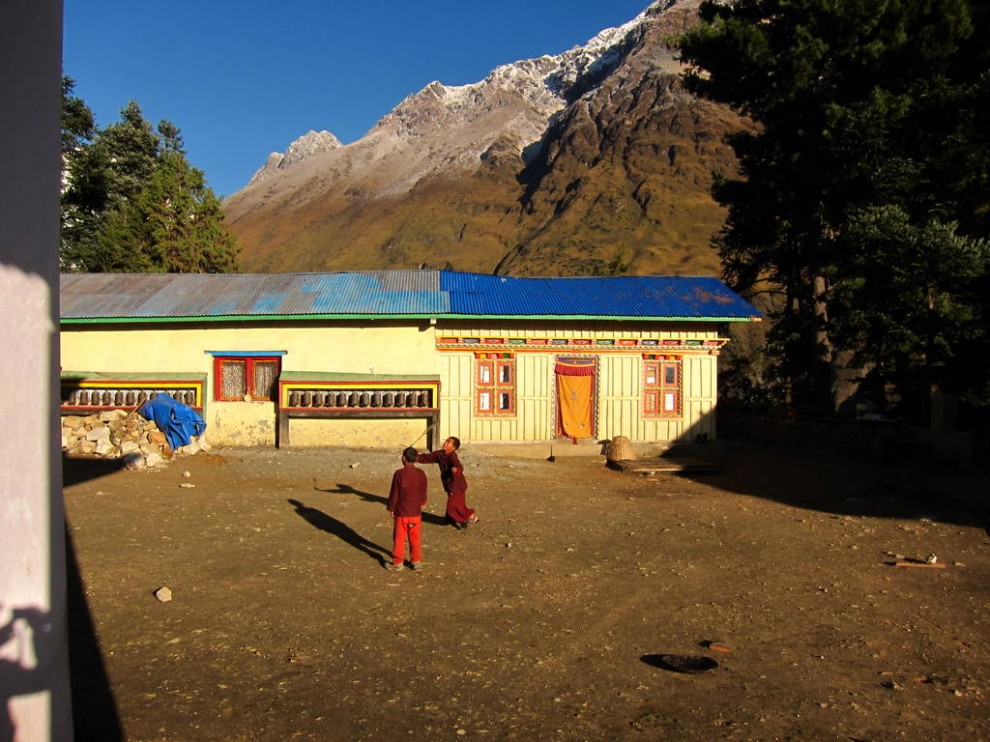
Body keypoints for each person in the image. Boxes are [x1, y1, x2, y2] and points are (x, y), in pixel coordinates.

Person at [417, 436, 478, 529]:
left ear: (453, 448)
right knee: (459, 505)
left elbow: (459, 466)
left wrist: (456, 470)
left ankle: (471, 517)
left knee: (452, 508)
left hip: (456, 485)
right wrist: (415, 457)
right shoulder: (440, 454)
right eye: (446, 441)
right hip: (450, 485)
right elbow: (427, 457)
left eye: (448, 442)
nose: (445, 443)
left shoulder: (453, 456)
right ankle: (450, 519)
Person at [386, 446, 429, 571]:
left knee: (399, 538)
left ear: (403, 458)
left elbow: (395, 493)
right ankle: (416, 561)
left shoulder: (399, 473)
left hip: (402, 512)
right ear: (416, 459)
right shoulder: (421, 473)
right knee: (415, 537)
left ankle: (398, 562)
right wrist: (422, 502)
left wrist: (391, 508)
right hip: (416, 513)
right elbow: (423, 491)